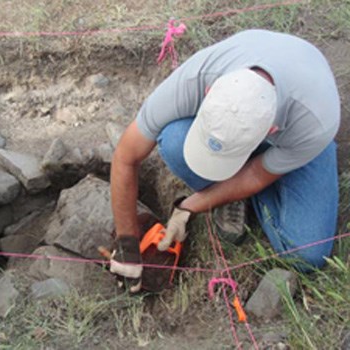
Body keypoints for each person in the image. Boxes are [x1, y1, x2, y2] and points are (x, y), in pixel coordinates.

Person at [109, 29, 340, 292]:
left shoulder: (315, 124)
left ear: (270, 132)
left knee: (306, 253)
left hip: (301, 139)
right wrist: (127, 243)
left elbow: (255, 175)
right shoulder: (196, 77)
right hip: (263, 94)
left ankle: (272, 173)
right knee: (174, 141)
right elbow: (126, 156)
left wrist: (195, 204)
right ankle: (236, 188)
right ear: (209, 92)